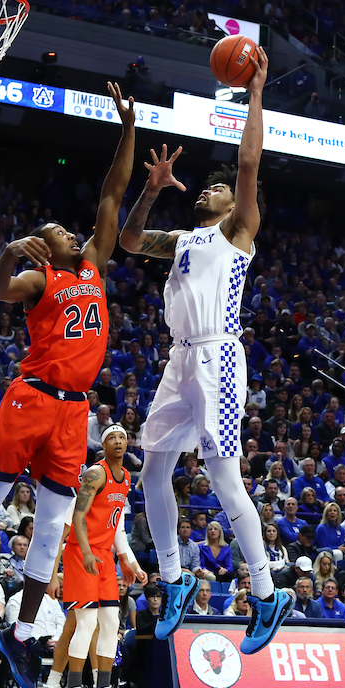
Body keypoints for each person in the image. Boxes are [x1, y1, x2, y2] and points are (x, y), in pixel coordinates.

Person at [0, 84, 138, 688]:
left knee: (49, 528)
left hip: (75, 413)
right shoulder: (39, 279)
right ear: (47, 249)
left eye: (70, 232)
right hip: (31, 397)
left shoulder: (94, 263)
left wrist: (127, 128)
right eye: (59, 233)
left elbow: (112, 193)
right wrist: (5, 255)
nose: (73, 234)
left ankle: (19, 637)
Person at [124, 48, 291, 656]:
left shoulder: (237, 230)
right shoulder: (184, 238)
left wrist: (255, 93)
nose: (216, 187)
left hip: (218, 356)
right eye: (212, 185)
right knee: (153, 467)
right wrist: (150, 188)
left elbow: (248, 163)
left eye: (222, 188)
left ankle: (267, 592)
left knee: (223, 476)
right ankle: (173, 579)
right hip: (179, 359)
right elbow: (130, 239)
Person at [50, 425, 142, 688]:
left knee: (112, 622)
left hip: (104, 557)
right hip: (81, 554)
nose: (118, 441)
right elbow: (75, 520)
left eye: (122, 437)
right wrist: (55, 573)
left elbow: (116, 526)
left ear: (128, 444)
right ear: (103, 444)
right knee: (86, 623)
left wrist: (129, 561)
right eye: (112, 437)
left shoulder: (125, 478)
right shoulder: (95, 473)